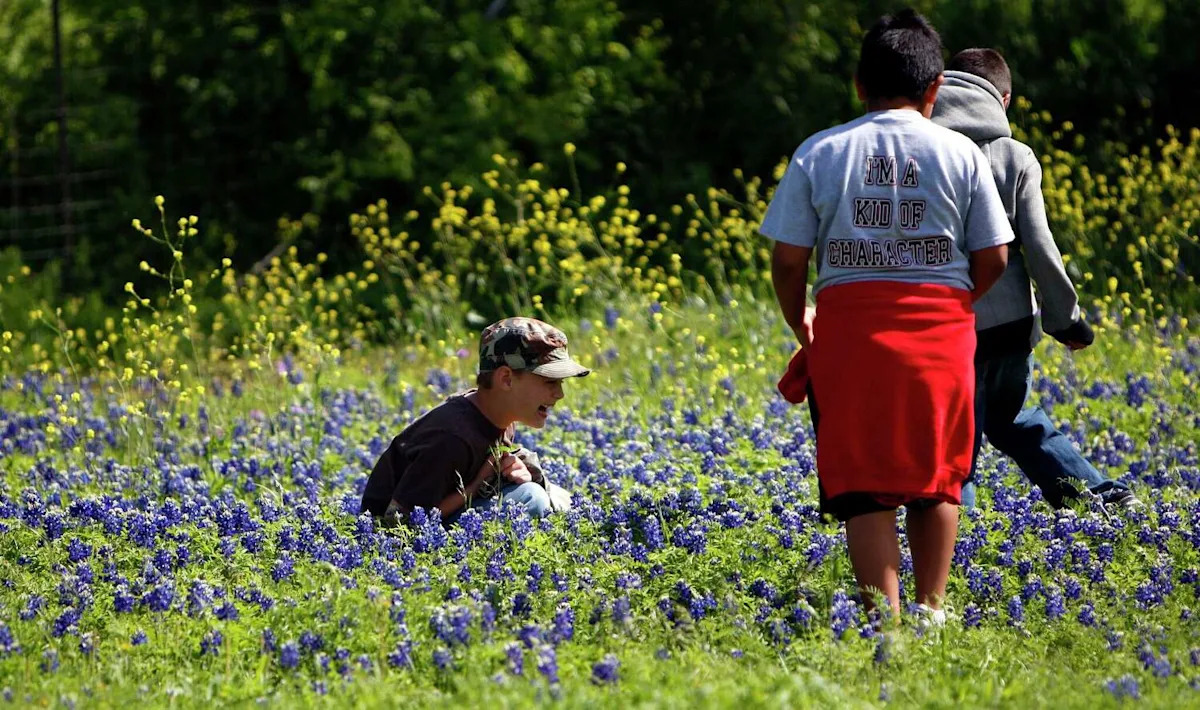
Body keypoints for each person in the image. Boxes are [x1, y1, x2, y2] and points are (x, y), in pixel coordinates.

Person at [761, 9, 1013, 621]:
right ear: (935, 89)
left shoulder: (820, 151)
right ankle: (932, 612)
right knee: (939, 475)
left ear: (858, 85)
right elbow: (995, 256)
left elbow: (789, 261)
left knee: (864, 485)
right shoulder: (960, 152)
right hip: (942, 330)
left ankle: (884, 626)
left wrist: (801, 321)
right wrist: (957, 302)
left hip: (851, 332)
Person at [931, 48, 1137, 509]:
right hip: (1009, 327)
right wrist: (1065, 320)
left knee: (956, 443)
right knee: (1015, 418)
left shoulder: (922, 154)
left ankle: (958, 536)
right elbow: (1041, 249)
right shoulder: (1014, 156)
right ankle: (1098, 496)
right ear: (1004, 100)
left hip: (945, 325)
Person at [359, 317, 590, 527]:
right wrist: (475, 486)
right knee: (531, 498)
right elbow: (398, 521)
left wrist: (509, 471)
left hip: (450, 510)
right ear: (506, 379)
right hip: (398, 533)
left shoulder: (500, 415)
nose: (560, 394)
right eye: (550, 381)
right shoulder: (451, 438)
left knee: (564, 500)